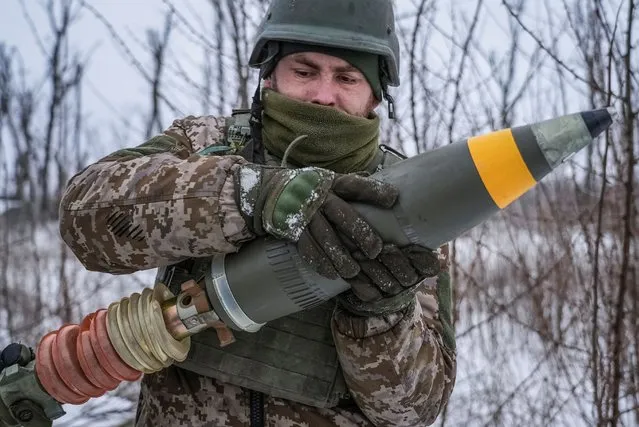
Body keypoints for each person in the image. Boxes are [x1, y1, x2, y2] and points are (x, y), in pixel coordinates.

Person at [58, 0, 457, 425]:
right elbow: (84, 218)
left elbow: (415, 410)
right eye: (304, 71)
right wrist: (247, 196)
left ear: (376, 94)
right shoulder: (205, 143)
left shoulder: (405, 201)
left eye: (347, 77)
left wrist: (382, 314)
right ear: (270, 73)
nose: (323, 95)